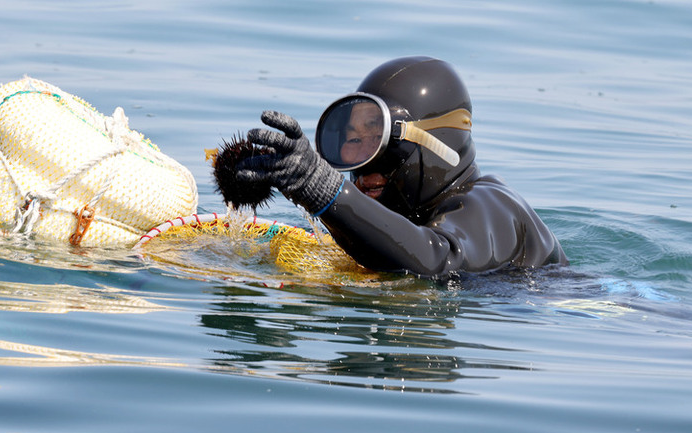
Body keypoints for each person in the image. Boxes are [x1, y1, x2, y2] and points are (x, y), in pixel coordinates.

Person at [236, 56, 567, 280]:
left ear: (435, 142)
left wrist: (322, 188)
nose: (360, 159)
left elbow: (441, 261)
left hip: (577, 311)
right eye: (350, 140)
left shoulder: (491, 204)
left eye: (375, 136)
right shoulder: (409, 220)